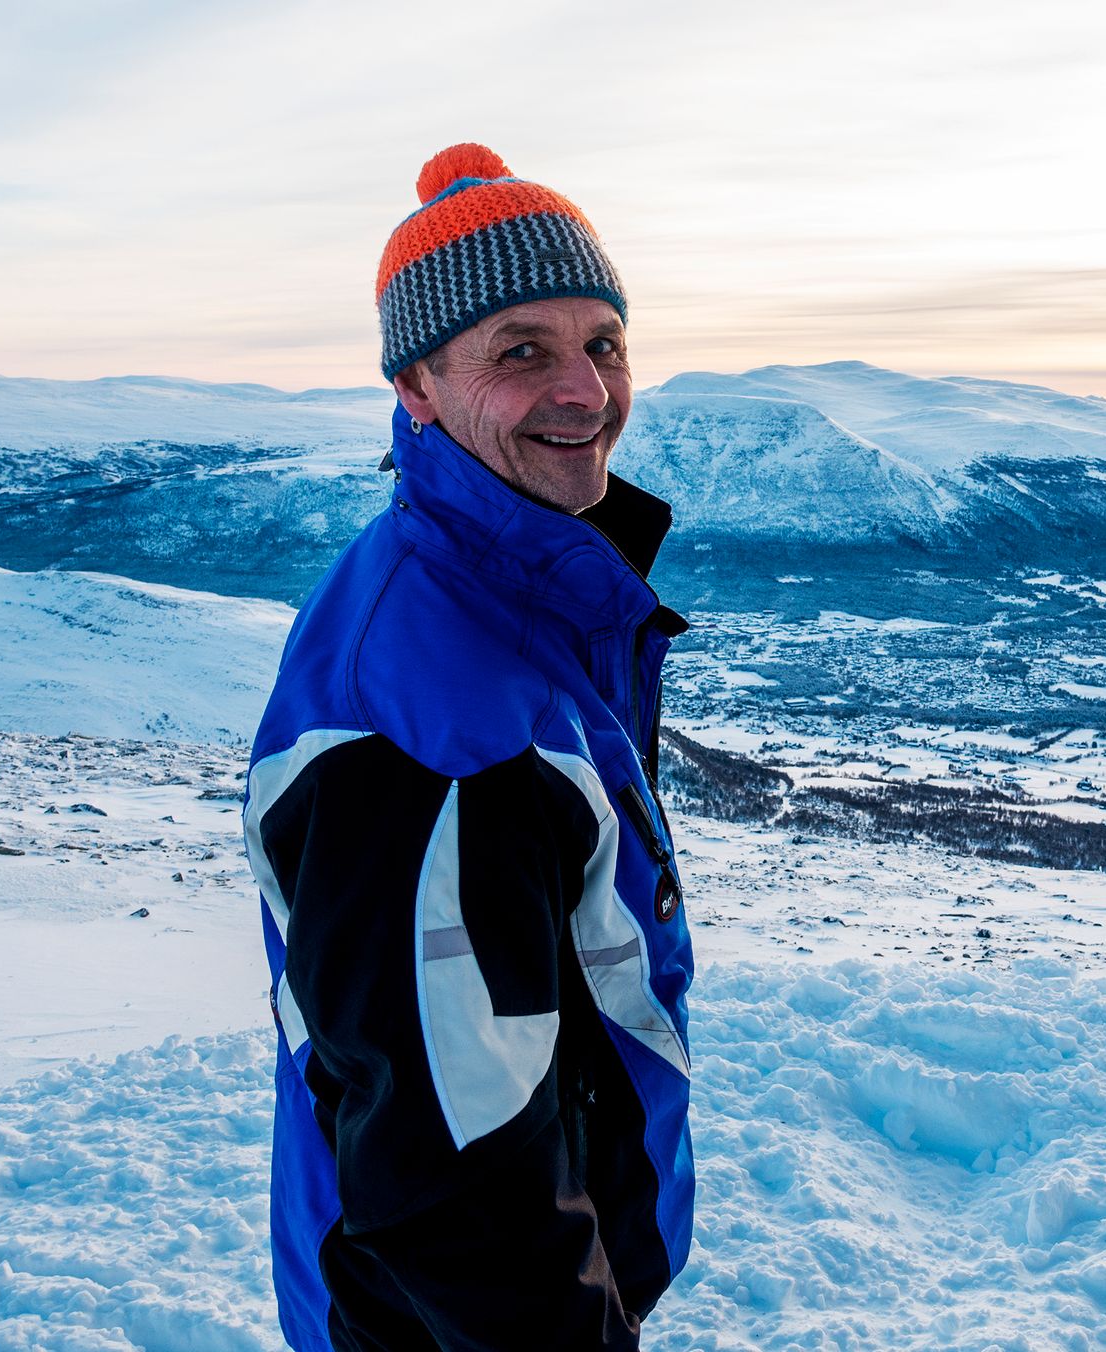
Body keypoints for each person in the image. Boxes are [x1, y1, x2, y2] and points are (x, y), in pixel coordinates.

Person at [243, 143, 693, 1351]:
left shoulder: (517, 596)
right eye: (520, 350)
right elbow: (446, 1167)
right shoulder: (432, 712)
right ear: (418, 389)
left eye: (601, 341)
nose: (584, 390)